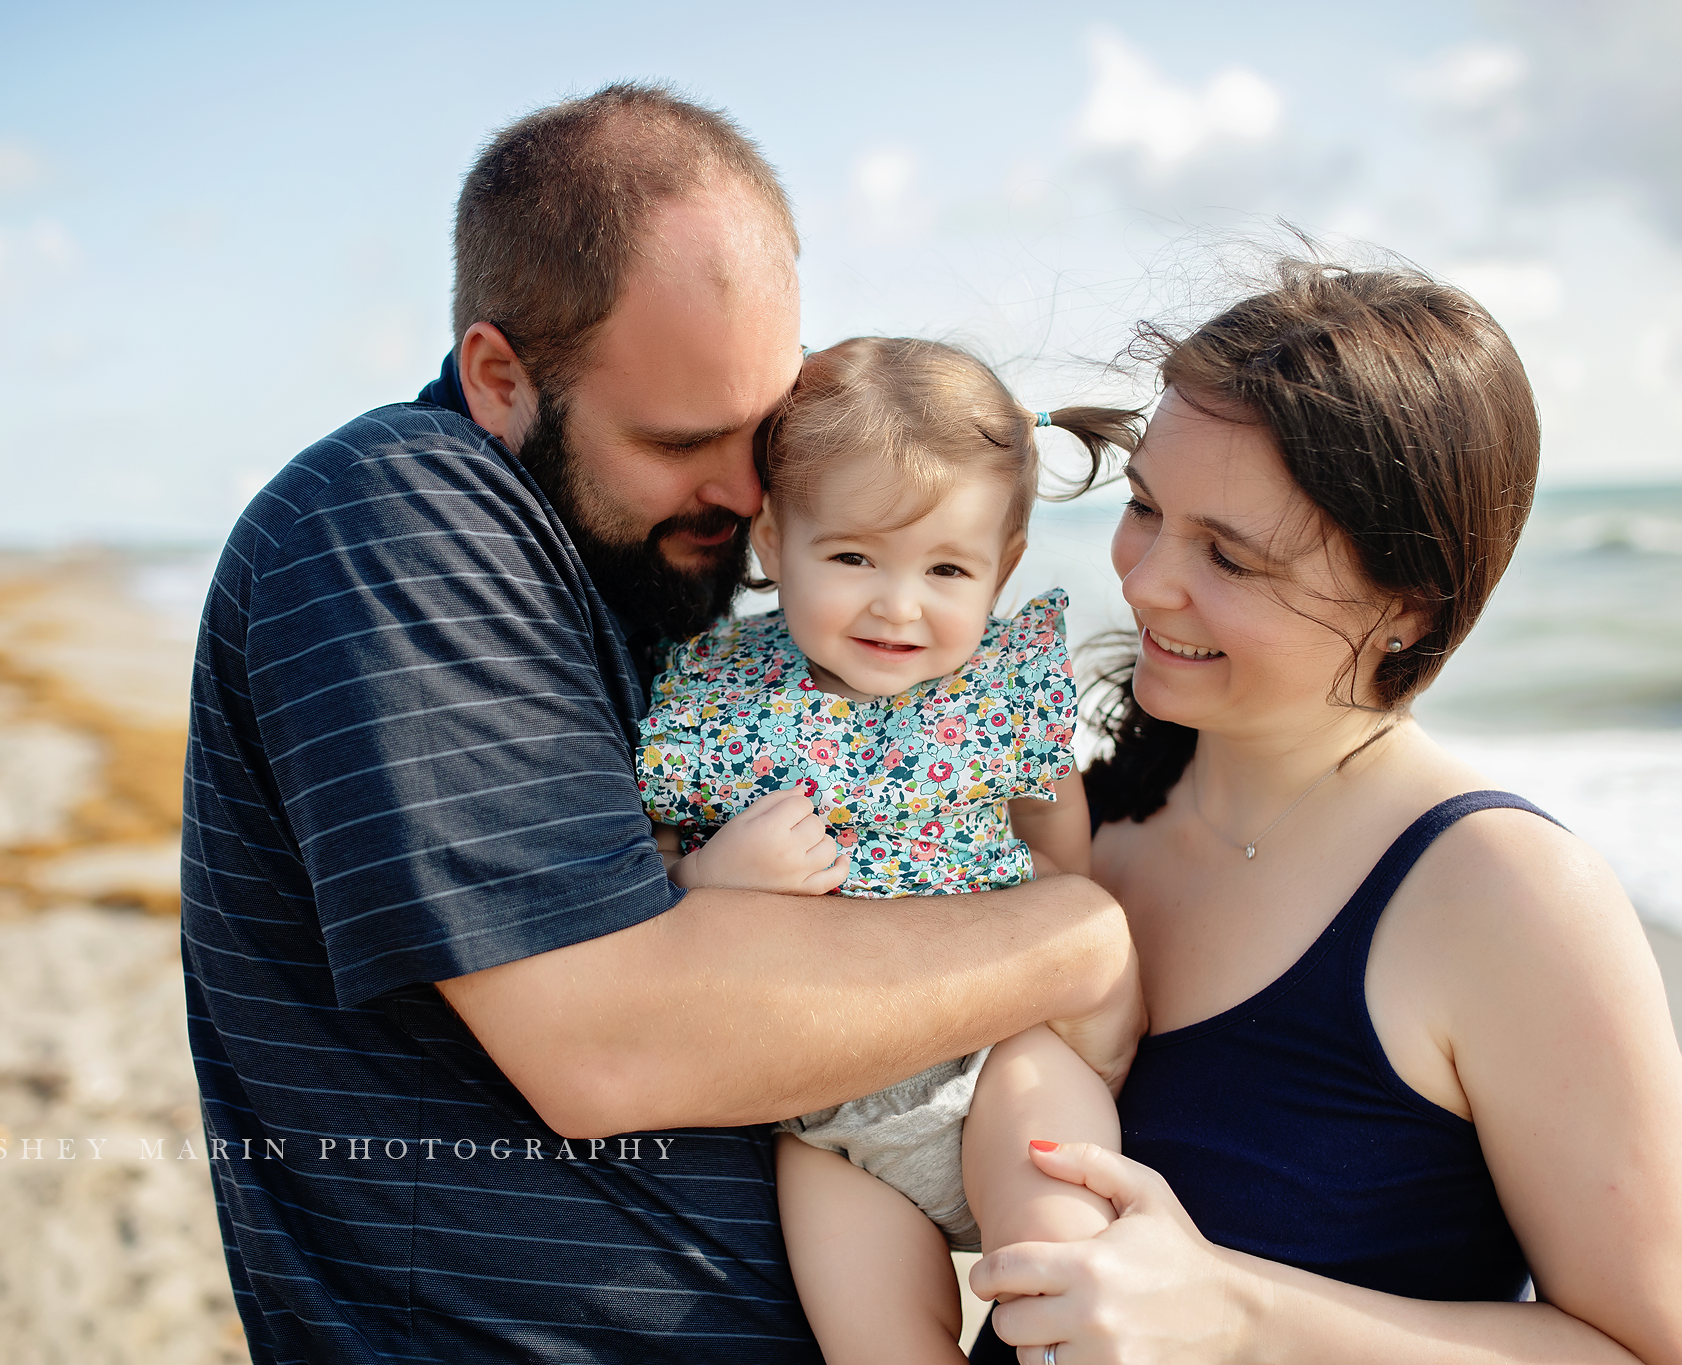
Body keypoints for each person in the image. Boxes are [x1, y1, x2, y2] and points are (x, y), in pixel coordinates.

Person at [178, 84, 1140, 1363]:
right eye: (682, 439)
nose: (746, 495)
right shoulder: (393, 519)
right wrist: (1071, 935)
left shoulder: (634, 569)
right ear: (499, 378)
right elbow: (608, 1048)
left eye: (763, 432)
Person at [969, 261, 1682, 1364]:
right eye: (1143, 507)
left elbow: (1664, 1353)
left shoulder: (1501, 895)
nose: (1141, 581)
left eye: (1227, 555)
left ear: (1404, 603)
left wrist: (1236, 1314)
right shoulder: (1076, 821)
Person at [635, 336, 1144, 1362]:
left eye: (946, 568)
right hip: (820, 1112)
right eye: (854, 557)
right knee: (874, 1341)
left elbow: (1051, 824)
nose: (897, 604)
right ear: (774, 542)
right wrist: (705, 876)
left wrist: (1061, 917)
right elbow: (639, 881)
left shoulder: (999, 687)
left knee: (1060, 1275)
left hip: (1003, 1048)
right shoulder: (717, 697)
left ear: (1001, 567)